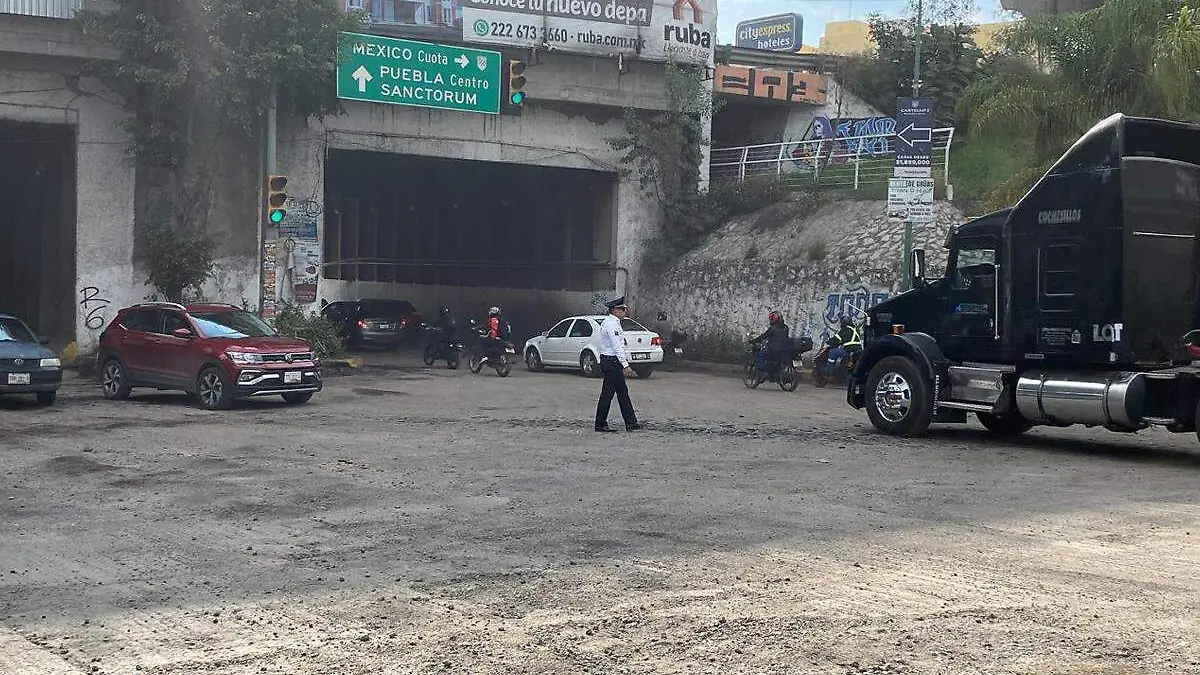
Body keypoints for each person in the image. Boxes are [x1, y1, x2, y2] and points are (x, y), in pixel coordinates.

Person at [594, 296, 642, 433]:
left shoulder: (613, 323)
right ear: (615, 310)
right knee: (610, 393)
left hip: (611, 361)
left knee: (620, 392)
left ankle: (630, 422)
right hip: (611, 361)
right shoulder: (611, 324)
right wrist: (625, 365)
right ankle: (602, 424)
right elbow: (616, 346)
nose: (624, 311)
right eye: (622, 309)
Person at [749, 311, 790, 380]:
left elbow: (763, 336)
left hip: (773, 350)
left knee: (758, 356)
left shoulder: (772, 329)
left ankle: (764, 372)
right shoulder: (786, 328)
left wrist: (754, 341)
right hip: (783, 351)